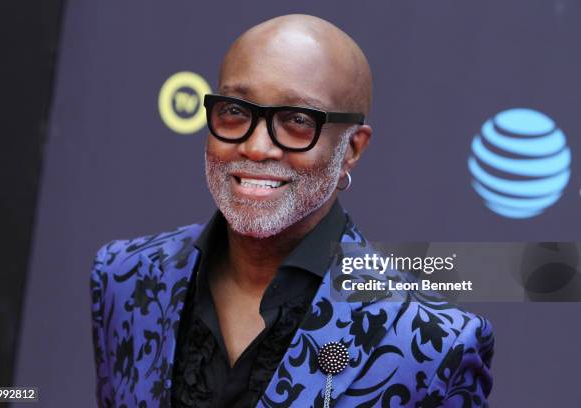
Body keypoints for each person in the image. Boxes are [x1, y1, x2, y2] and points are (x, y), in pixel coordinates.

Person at [90, 14, 494, 408]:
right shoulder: (125, 277)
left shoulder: (432, 342)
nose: (257, 147)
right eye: (235, 111)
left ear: (352, 148)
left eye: (298, 120)